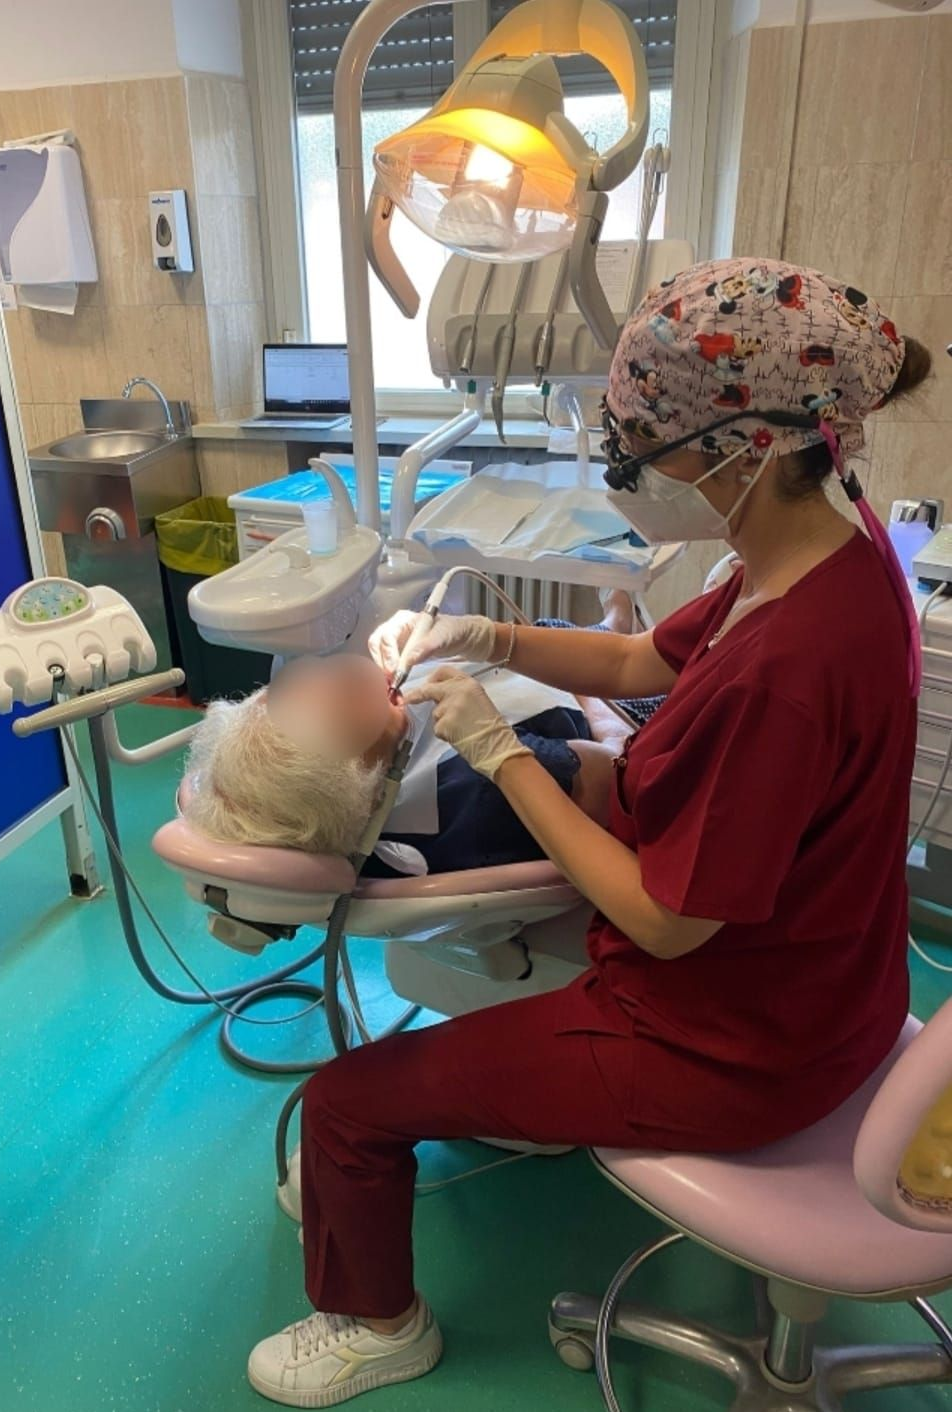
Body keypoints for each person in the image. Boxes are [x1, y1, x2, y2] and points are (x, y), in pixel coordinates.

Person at [246, 258, 932, 1407]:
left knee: (349, 1102)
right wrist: (486, 636)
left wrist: (502, 753)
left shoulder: (794, 668)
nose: (632, 474)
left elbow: (665, 923)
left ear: (746, 445)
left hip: (727, 1044)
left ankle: (376, 1323)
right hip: (835, 994)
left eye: (642, 450)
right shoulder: (826, 554)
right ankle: (512, 1114)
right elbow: (638, 659)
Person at [181, 632, 634, 878]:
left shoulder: (373, 781)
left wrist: (491, 638)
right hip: (613, 718)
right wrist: (593, 680)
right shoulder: (484, 786)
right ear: (353, 774)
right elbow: (619, 771)